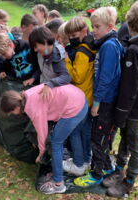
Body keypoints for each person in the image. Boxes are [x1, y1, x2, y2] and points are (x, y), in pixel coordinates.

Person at [102, 2, 138, 197]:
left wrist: (121, 114)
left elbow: (130, 88)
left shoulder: (135, 50)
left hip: (134, 108)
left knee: (135, 143)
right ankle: (119, 169)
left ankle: (129, 181)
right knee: (125, 138)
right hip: (134, 106)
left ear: (129, 21)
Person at [0, 83, 88, 194]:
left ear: (16, 107)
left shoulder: (32, 108)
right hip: (81, 99)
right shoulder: (26, 94)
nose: (14, 114)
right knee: (74, 133)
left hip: (73, 107)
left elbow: (43, 134)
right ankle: (79, 166)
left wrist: (41, 153)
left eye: (12, 112)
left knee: (56, 142)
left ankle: (58, 184)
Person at [74, 7, 124, 186]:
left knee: (98, 138)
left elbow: (105, 79)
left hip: (105, 102)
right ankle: (108, 167)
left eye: (97, 27)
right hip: (108, 100)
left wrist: (96, 103)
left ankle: (96, 175)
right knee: (105, 137)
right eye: (92, 26)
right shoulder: (112, 42)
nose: (93, 30)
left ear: (110, 26)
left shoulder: (109, 46)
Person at [61, 16, 95, 176]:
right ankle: (86, 159)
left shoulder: (82, 52)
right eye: (70, 37)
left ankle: (79, 163)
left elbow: (77, 77)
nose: (72, 40)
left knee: (75, 131)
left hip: (81, 98)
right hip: (88, 96)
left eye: (74, 36)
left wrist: (67, 61)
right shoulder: (90, 44)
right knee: (85, 131)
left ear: (84, 31)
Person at [26, 26, 71, 99]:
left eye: (35, 46)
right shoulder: (42, 53)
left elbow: (66, 77)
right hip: (44, 89)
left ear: (44, 41)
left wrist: (50, 84)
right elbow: (42, 69)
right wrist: (33, 78)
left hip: (55, 95)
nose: (35, 50)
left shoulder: (57, 56)